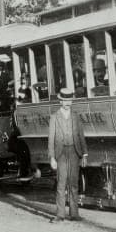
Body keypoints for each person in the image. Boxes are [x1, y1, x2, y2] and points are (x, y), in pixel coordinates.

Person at [47, 87, 88, 222]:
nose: (67, 103)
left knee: (74, 183)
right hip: (61, 153)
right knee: (61, 183)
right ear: (60, 101)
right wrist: (52, 157)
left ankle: (74, 214)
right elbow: (51, 138)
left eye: (69, 100)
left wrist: (85, 154)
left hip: (75, 152)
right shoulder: (54, 117)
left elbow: (81, 136)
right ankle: (60, 214)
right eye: (65, 100)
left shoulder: (76, 116)